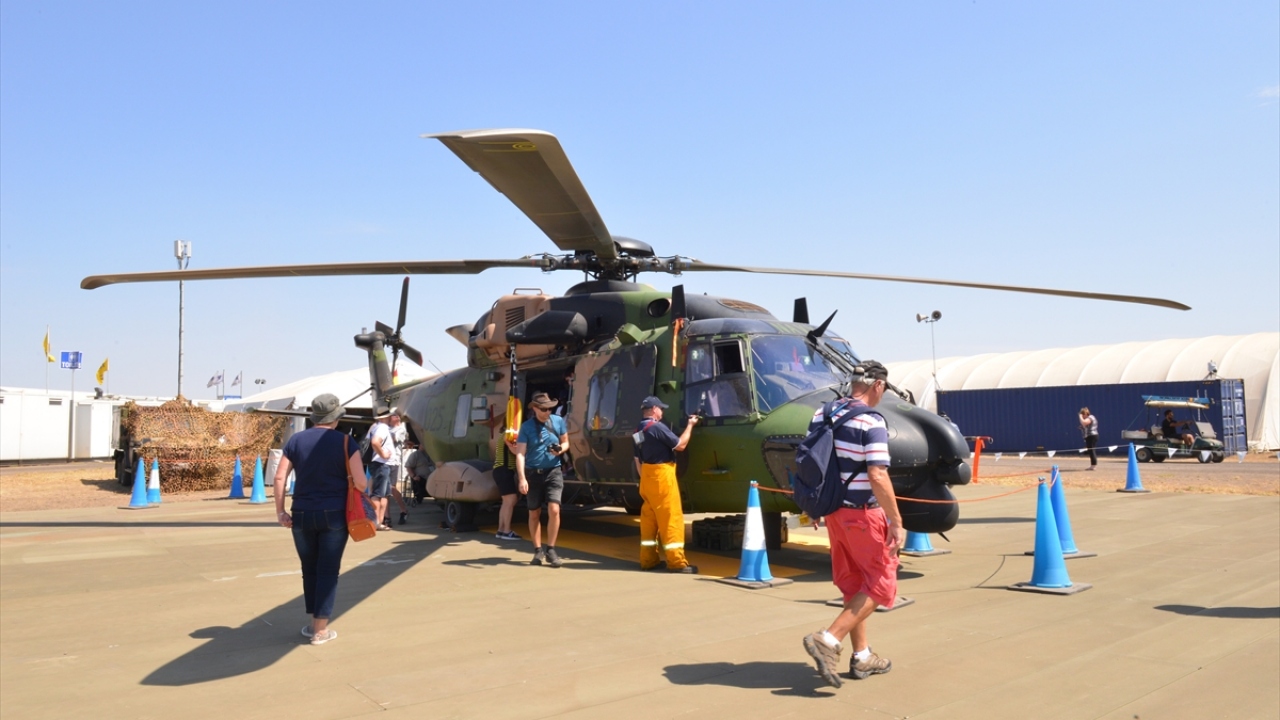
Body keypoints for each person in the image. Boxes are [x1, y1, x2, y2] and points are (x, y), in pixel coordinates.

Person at [802, 360, 905, 688]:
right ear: (878, 386)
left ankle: (862, 656)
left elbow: (811, 464)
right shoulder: (871, 421)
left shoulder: (823, 414)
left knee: (854, 583)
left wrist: (816, 506)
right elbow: (877, 474)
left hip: (834, 513)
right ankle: (829, 640)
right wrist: (896, 520)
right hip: (864, 515)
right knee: (881, 585)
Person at [273, 393, 366, 646]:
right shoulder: (346, 443)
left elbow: (280, 477)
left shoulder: (296, 440)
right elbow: (361, 482)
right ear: (336, 418)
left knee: (309, 568)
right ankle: (320, 630)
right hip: (335, 513)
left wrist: (281, 511)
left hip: (302, 512)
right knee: (328, 569)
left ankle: (312, 623)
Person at [632, 396, 700, 573]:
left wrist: (645, 478)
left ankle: (648, 560)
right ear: (654, 409)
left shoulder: (639, 430)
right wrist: (690, 425)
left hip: (646, 477)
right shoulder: (656, 427)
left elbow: (637, 458)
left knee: (649, 519)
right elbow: (680, 445)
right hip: (662, 477)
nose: (662, 412)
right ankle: (676, 562)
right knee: (671, 517)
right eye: (661, 409)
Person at [516, 392, 569, 567]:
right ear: (535, 409)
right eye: (544, 409)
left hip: (553, 471)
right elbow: (520, 454)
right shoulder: (526, 427)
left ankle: (551, 549)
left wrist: (560, 449)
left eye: (550, 408)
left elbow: (566, 442)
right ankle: (537, 551)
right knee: (534, 513)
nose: (548, 412)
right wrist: (522, 478)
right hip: (533, 473)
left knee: (554, 509)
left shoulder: (558, 421)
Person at [366, 408, 394, 530]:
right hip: (381, 463)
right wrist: (383, 454)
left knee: (384, 494)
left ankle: (379, 521)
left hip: (381, 464)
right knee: (378, 494)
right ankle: (375, 521)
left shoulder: (376, 426)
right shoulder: (382, 427)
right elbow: (375, 442)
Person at [492, 426, 520, 541]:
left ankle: (501, 529)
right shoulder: (508, 435)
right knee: (511, 500)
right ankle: (507, 531)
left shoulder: (503, 434)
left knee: (506, 502)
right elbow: (515, 451)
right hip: (505, 470)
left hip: (500, 470)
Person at [386, 410, 411, 525]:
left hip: (393, 461)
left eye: (396, 415)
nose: (396, 417)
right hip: (382, 461)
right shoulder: (385, 427)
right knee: (383, 490)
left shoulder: (401, 429)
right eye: (393, 415)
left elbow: (393, 438)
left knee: (391, 488)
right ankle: (386, 516)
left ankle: (403, 510)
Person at [403, 440, 432, 505]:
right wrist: (413, 476)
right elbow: (408, 466)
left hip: (432, 477)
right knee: (418, 481)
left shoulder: (430, 454)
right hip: (421, 478)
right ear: (419, 446)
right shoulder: (415, 454)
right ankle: (418, 498)